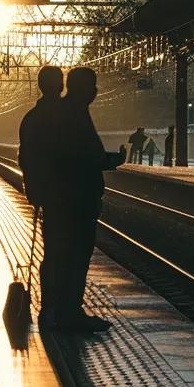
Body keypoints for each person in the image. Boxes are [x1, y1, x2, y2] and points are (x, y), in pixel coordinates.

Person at [43, 67, 125, 332]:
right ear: (82, 88)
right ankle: (69, 313)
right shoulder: (74, 114)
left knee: (60, 255)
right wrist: (112, 160)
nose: (95, 91)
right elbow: (85, 156)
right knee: (75, 255)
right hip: (76, 199)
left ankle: (56, 309)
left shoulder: (65, 112)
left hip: (63, 197)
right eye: (92, 85)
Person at [19, 65, 65, 323]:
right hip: (68, 193)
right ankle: (63, 308)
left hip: (46, 193)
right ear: (60, 86)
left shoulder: (31, 118)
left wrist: (33, 189)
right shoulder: (67, 117)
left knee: (52, 252)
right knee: (67, 252)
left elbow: (25, 157)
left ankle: (50, 307)